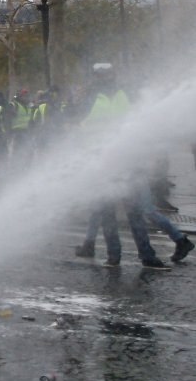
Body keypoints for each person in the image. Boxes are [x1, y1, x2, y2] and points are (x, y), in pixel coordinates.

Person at [73, 63, 172, 269]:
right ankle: (115, 256)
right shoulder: (90, 99)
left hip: (126, 163)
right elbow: (76, 127)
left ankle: (145, 255)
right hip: (103, 164)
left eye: (107, 74)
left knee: (133, 212)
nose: (105, 78)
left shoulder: (123, 94)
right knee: (109, 213)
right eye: (102, 75)